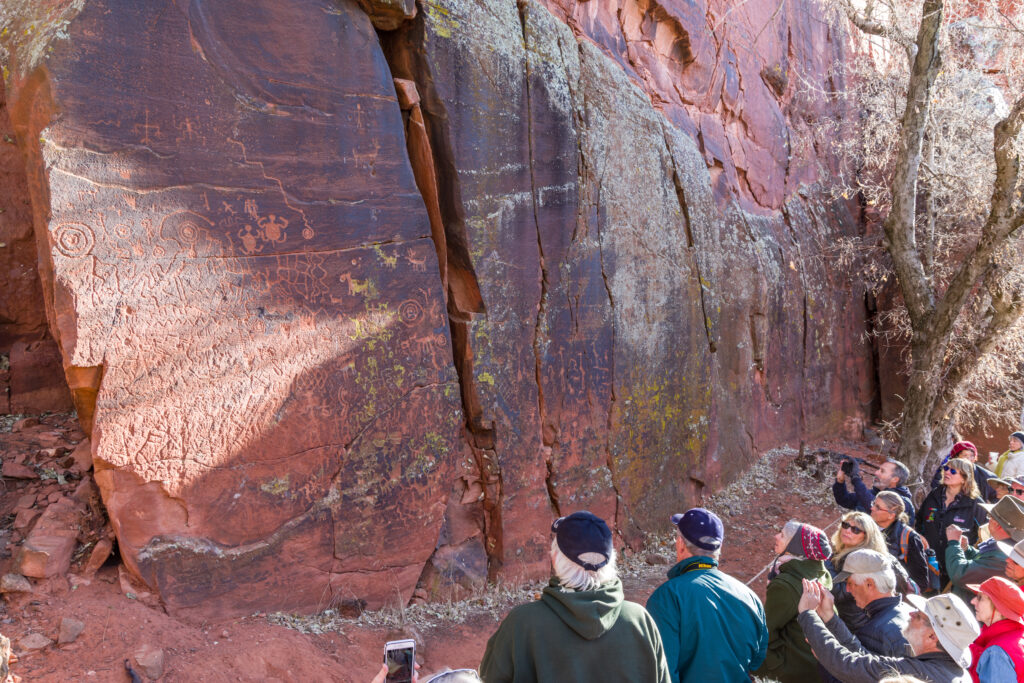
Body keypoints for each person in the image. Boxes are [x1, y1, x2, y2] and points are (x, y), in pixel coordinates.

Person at [479, 511, 670, 682]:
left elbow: (488, 678)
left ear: (554, 559)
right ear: (611, 560)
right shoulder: (639, 620)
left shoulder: (522, 624)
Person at [646, 508, 767, 682]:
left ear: (680, 544)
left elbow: (662, 672)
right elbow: (756, 661)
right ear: (718, 549)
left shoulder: (667, 597)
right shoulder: (750, 597)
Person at [796, 580, 978, 683]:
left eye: (919, 616)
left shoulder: (918, 673)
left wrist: (807, 614)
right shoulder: (950, 671)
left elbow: (848, 664)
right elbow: (865, 659)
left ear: (932, 637)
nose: (912, 613)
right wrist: (829, 618)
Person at [753, 521, 832, 683]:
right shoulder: (821, 574)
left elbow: (766, 631)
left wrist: (775, 666)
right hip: (815, 665)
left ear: (795, 547)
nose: (776, 536)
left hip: (791, 669)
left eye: (782, 535)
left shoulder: (786, 585)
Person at [916, 456, 988, 585]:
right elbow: (920, 519)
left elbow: (984, 535)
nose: (947, 472)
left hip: (954, 567)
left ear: (965, 478)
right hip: (927, 561)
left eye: (953, 471)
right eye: (946, 468)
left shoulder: (975, 504)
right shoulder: (934, 494)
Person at [831, 549, 913, 658]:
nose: (847, 589)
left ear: (869, 584)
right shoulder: (909, 611)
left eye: (850, 583)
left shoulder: (874, 633)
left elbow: (857, 672)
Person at [946, 494, 1024, 601]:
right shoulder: (1003, 547)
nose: (988, 520)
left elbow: (960, 575)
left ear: (998, 525)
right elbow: (983, 561)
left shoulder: (1002, 555)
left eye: (990, 516)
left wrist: (953, 543)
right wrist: (966, 549)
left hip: (975, 613)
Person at [826, 511, 897, 630]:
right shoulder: (839, 552)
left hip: (857, 625)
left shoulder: (865, 560)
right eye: (845, 525)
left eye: (856, 530)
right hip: (844, 619)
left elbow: (842, 592)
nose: (847, 531)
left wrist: (823, 562)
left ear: (867, 537)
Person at [966, 576, 1024, 682]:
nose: (973, 601)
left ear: (998, 608)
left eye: (980, 598)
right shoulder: (1017, 636)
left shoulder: (996, 652)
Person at [872, 491, 930, 592]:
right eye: (873, 504)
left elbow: (921, 581)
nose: (872, 508)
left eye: (877, 507)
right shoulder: (867, 530)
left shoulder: (909, 537)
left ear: (891, 515)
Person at [833, 458, 915, 526]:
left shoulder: (902, 502)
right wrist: (840, 481)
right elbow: (843, 500)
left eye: (882, 471)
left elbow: (873, 507)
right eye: (878, 469)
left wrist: (855, 478)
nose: (876, 473)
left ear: (895, 479)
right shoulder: (872, 493)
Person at [930, 442, 996, 502]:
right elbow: (937, 488)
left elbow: (997, 496)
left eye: (972, 456)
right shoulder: (946, 471)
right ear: (955, 458)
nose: (969, 459)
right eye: (965, 456)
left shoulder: (987, 477)